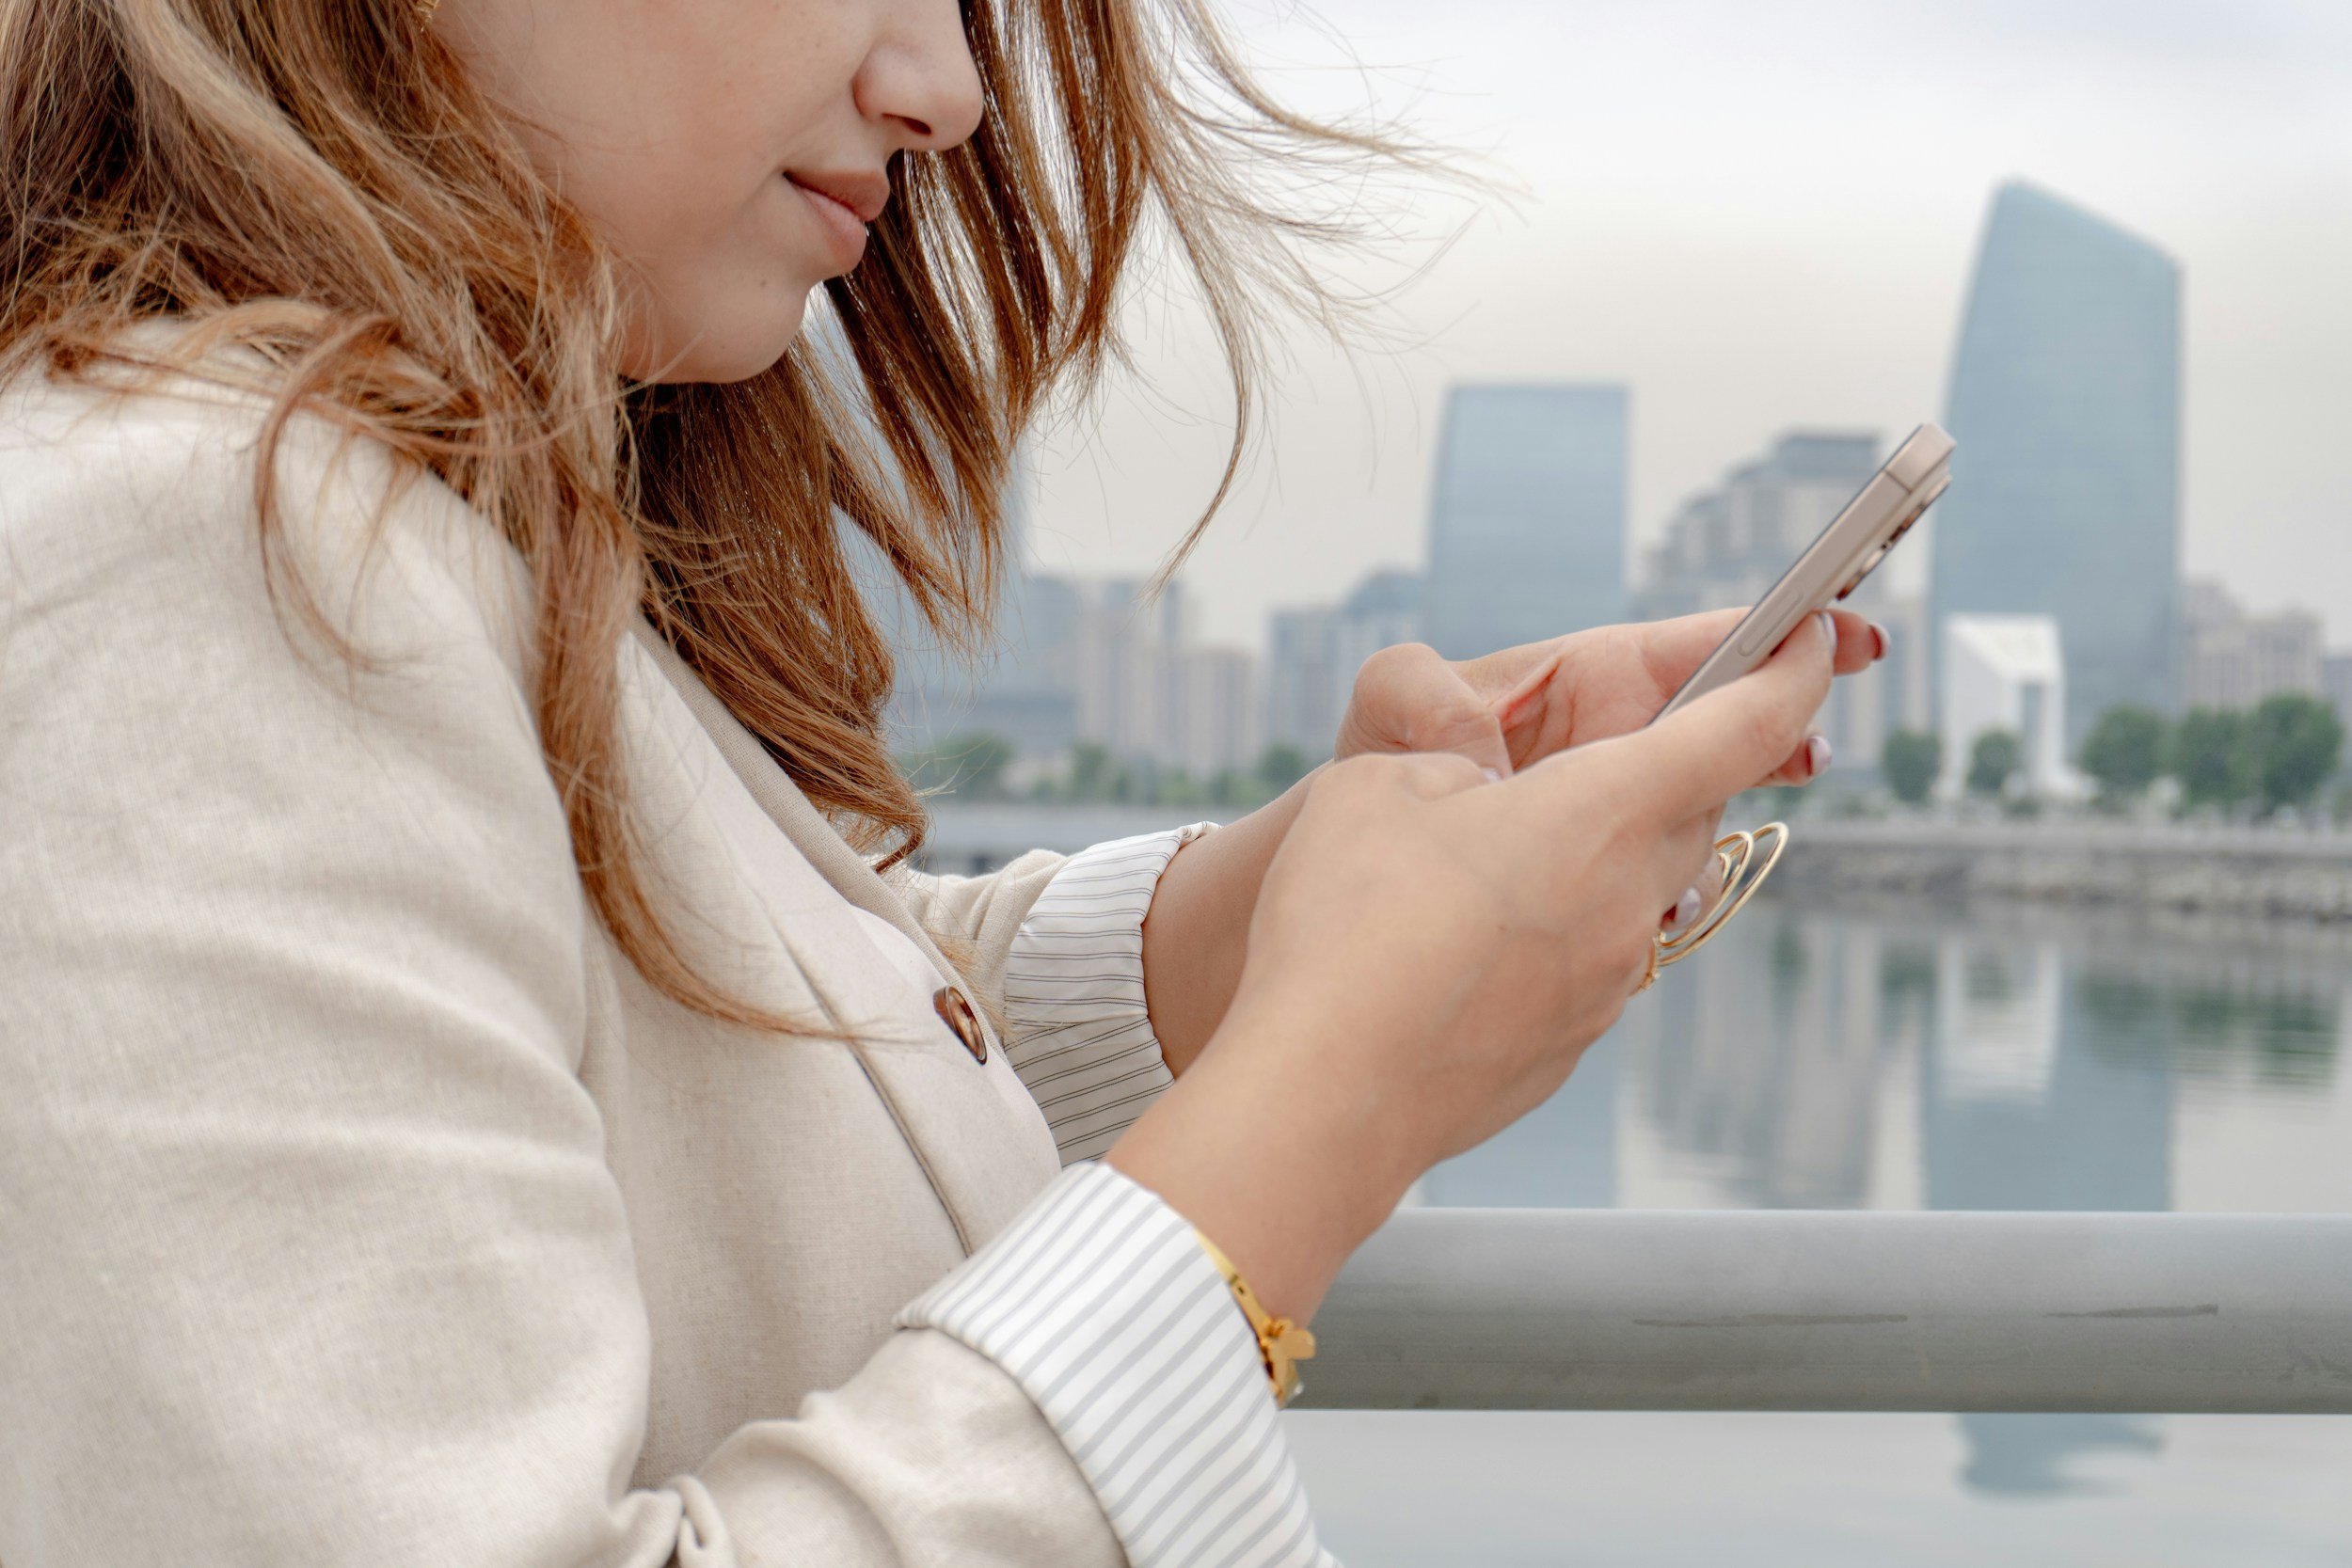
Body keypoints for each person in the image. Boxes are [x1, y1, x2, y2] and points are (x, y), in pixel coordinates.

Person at [0, 2, 1884, 1564]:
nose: (949, 88)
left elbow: (668, 1049)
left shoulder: (344, 528)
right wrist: (1331, 1095)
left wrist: (1286, 916)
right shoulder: (200, 555)